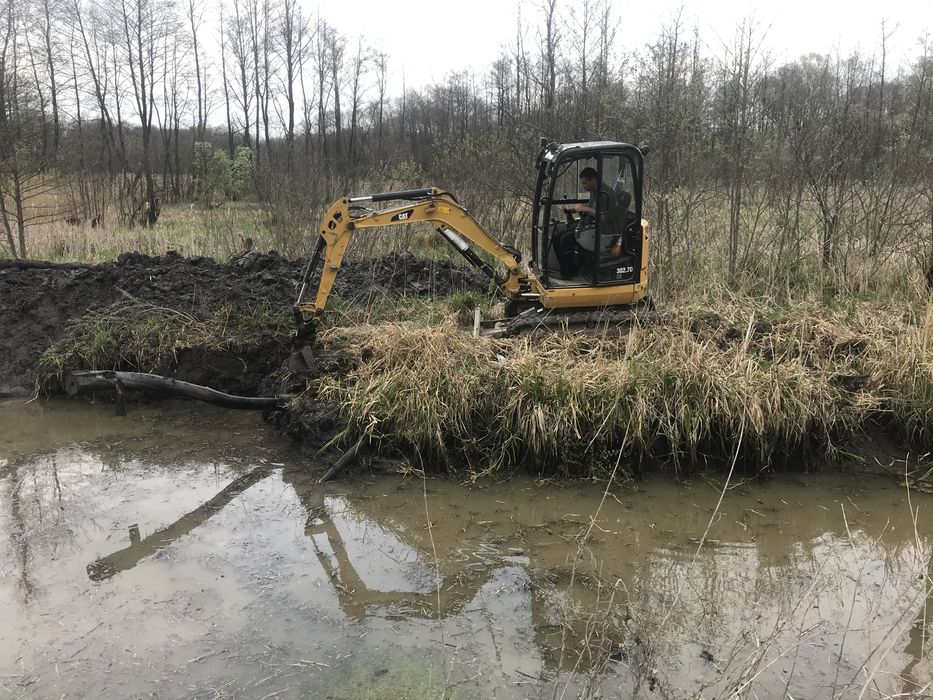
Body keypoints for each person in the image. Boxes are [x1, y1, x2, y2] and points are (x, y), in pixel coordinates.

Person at [553, 167, 621, 278]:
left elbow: (605, 218)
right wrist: (573, 210)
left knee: (565, 239)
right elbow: (592, 209)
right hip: (590, 225)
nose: (583, 186)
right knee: (557, 237)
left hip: (602, 231)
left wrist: (586, 209)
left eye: (585, 183)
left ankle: (568, 273)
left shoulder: (605, 193)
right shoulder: (594, 192)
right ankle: (569, 268)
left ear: (593, 180)